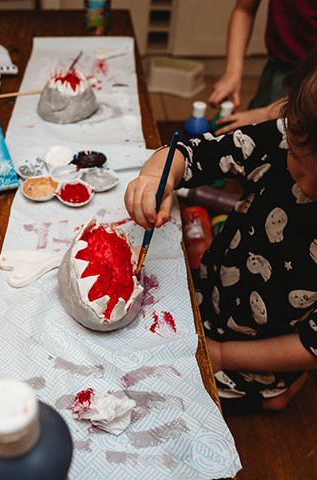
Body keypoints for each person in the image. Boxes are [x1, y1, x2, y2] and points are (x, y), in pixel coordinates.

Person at [125, 47, 317, 413]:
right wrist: (156, 178)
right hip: (216, 289)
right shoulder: (282, 138)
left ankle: (278, 389)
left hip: (262, 347)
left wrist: (224, 355)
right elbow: (193, 154)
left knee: (172, 392)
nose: (304, 186)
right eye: (296, 157)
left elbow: (311, 345)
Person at [208, 0, 317, 136]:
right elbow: (244, 9)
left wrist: (265, 114)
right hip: (277, 66)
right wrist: (233, 72)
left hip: (311, 79)